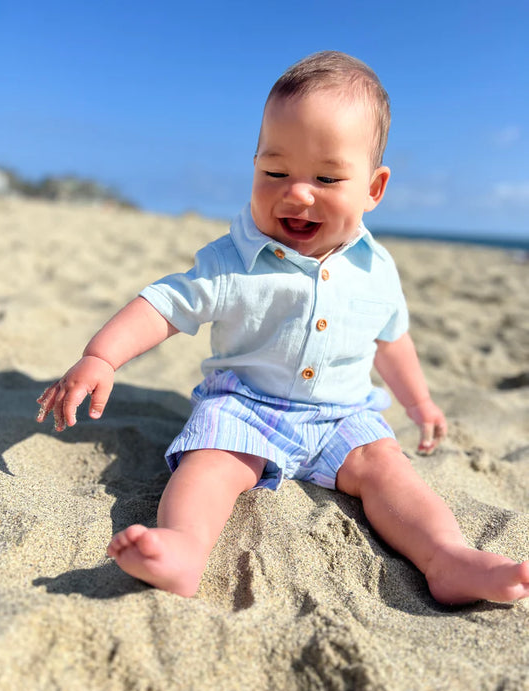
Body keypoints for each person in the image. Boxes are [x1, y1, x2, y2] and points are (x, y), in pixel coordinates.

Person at [36, 51, 529, 605]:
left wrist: (419, 405)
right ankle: (182, 548)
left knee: (391, 471)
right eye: (275, 172)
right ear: (254, 167)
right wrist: (102, 357)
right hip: (247, 406)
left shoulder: (377, 269)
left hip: (343, 416)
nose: (297, 193)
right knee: (210, 465)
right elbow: (165, 304)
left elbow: (390, 339)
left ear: (374, 188)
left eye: (326, 177)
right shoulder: (232, 261)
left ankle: (447, 557)